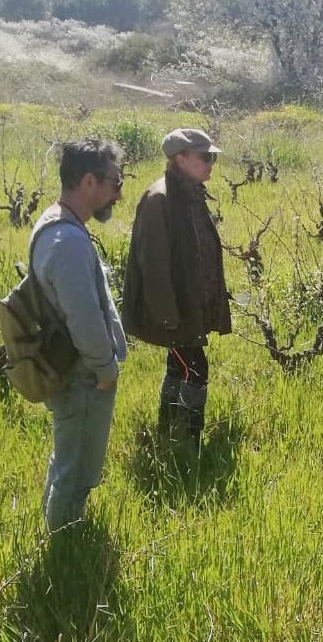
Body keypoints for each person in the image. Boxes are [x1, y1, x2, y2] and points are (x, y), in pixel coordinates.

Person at [32, 138, 128, 532]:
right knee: (76, 473)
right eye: (114, 183)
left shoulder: (56, 224)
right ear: (89, 182)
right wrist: (105, 370)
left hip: (71, 370)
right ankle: (65, 554)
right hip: (83, 376)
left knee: (65, 459)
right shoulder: (68, 241)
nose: (117, 194)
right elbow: (84, 319)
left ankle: (56, 537)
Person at [122, 128, 231, 449]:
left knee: (179, 365)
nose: (211, 163)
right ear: (179, 159)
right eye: (205, 157)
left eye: (213, 157)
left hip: (189, 306)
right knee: (196, 369)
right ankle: (188, 440)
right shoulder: (161, 198)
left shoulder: (189, 192)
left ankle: (167, 428)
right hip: (177, 311)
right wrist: (169, 317)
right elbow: (153, 265)